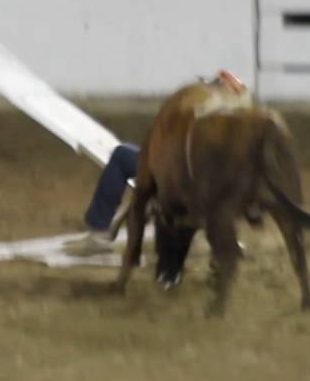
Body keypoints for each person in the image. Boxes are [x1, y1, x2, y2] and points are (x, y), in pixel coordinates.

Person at [66, 71, 254, 257]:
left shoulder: (203, 111)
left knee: (122, 156)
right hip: (208, 185)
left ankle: (98, 233)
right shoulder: (239, 125)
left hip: (179, 175)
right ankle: (216, 238)